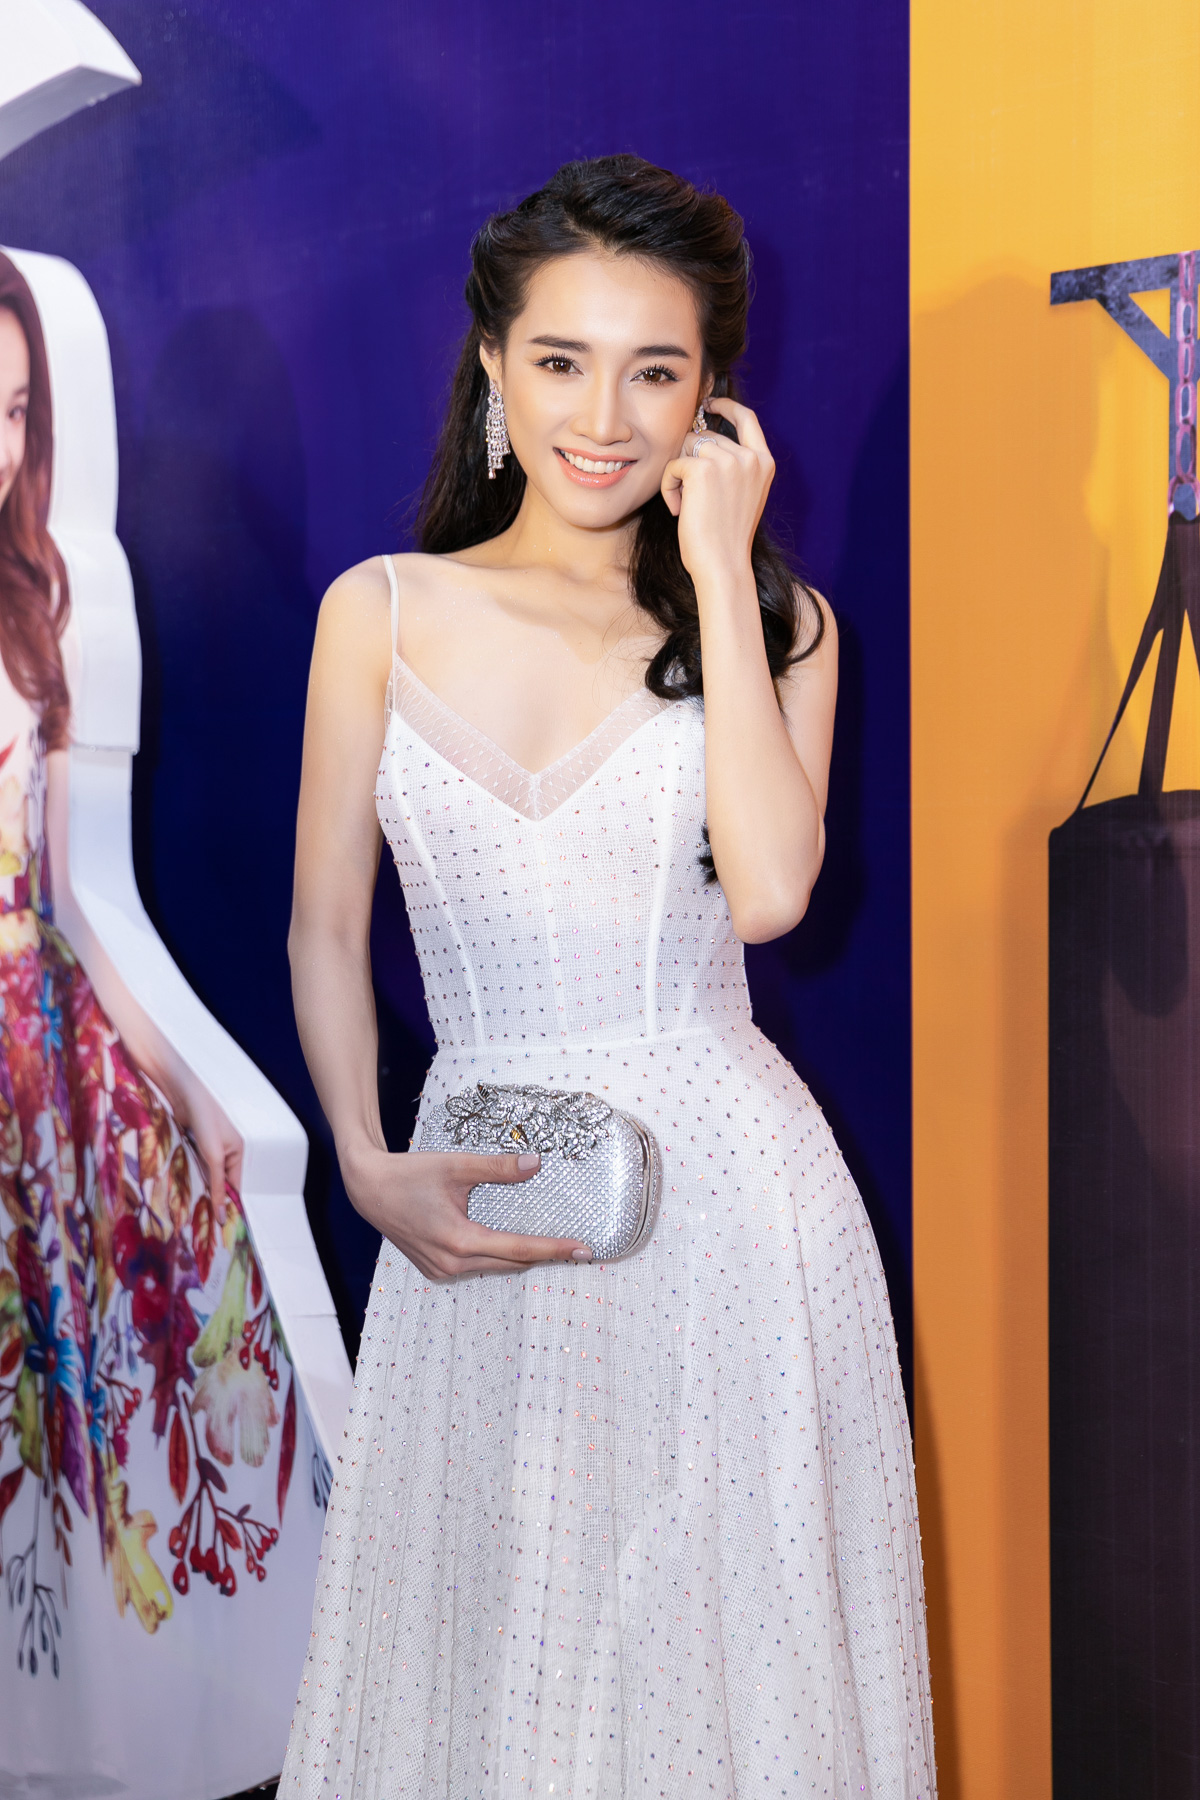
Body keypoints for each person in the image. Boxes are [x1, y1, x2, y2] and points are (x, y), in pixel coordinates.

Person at [282, 155, 934, 1796]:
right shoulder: (381, 614)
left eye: (657, 371)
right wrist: (362, 1157)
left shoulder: (782, 629)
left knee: (720, 1680)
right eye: (563, 360)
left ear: (714, 398)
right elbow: (323, 926)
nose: (605, 415)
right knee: (494, 1673)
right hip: (478, 1209)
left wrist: (719, 574)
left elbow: (772, 894)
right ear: (492, 366)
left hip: (735, 1220)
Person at [0, 251, 314, 1783]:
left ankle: (100, 1733)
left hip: (34, 1058)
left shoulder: (42, 608)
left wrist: (186, 1087)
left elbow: (72, 898)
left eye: (14, 411)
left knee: (91, 1401)